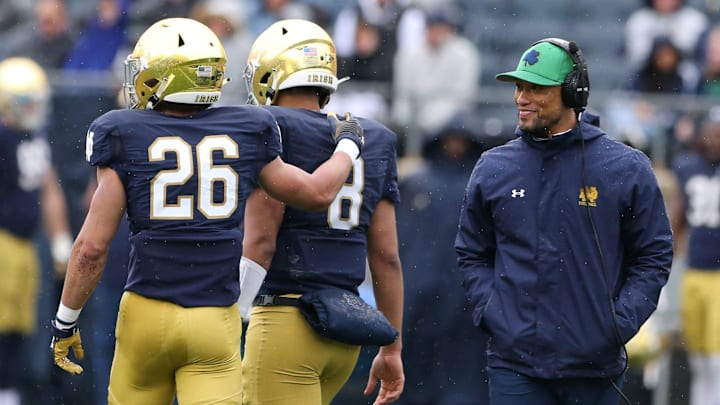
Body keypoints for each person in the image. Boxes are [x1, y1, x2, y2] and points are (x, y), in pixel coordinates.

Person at [47, 17, 364, 405]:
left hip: (146, 312)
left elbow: (91, 248)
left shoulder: (123, 131)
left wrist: (65, 321)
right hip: (215, 318)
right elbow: (317, 193)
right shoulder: (247, 127)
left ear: (163, 75)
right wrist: (348, 145)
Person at [454, 38, 674, 404]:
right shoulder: (493, 167)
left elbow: (653, 256)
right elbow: (472, 253)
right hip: (516, 367)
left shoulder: (626, 168)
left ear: (573, 92)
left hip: (595, 370)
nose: (521, 98)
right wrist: (493, 313)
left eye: (536, 88)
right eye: (519, 87)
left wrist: (617, 324)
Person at [239, 19, 404, 405]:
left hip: (285, 321)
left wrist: (232, 316)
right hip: (344, 329)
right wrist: (393, 346)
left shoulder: (272, 125)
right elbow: (387, 258)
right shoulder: (374, 135)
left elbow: (261, 241)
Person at [0, 56, 73, 405]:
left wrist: (60, 238)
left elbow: (48, 186)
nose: (33, 108)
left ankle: (9, 392)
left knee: (17, 326)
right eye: (25, 100)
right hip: (3, 240)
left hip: (24, 245)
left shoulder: (33, 135)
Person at [670, 112, 720, 405]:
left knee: (716, 357)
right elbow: (678, 218)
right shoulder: (688, 167)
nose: (715, 140)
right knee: (698, 354)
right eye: (713, 133)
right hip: (694, 271)